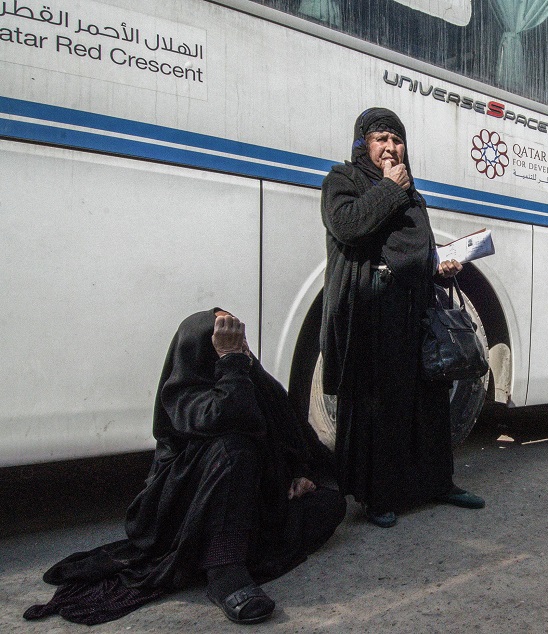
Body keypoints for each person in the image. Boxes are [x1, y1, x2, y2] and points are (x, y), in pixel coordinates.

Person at [24, 309, 346, 626]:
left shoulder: (250, 379)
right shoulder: (184, 394)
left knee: (331, 505)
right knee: (234, 447)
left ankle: (220, 551)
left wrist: (299, 474)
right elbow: (229, 415)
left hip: (252, 508)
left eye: (239, 340)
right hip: (185, 513)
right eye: (225, 342)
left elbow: (291, 431)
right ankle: (224, 569)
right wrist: (230, 361)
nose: (240, 348)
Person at [320, 107, 484, 528]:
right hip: (373, 309)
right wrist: (390, 188)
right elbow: (349, 226)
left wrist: (439, 264)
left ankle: (438, 484)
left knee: (428, 401)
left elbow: (415, 247)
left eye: (397, 140)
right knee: (381, 405)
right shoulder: (344, 180)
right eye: (381, 140)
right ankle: (379, 497)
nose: (391, 148)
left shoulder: (412, 192)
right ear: (363, 145)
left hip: (416, 307)